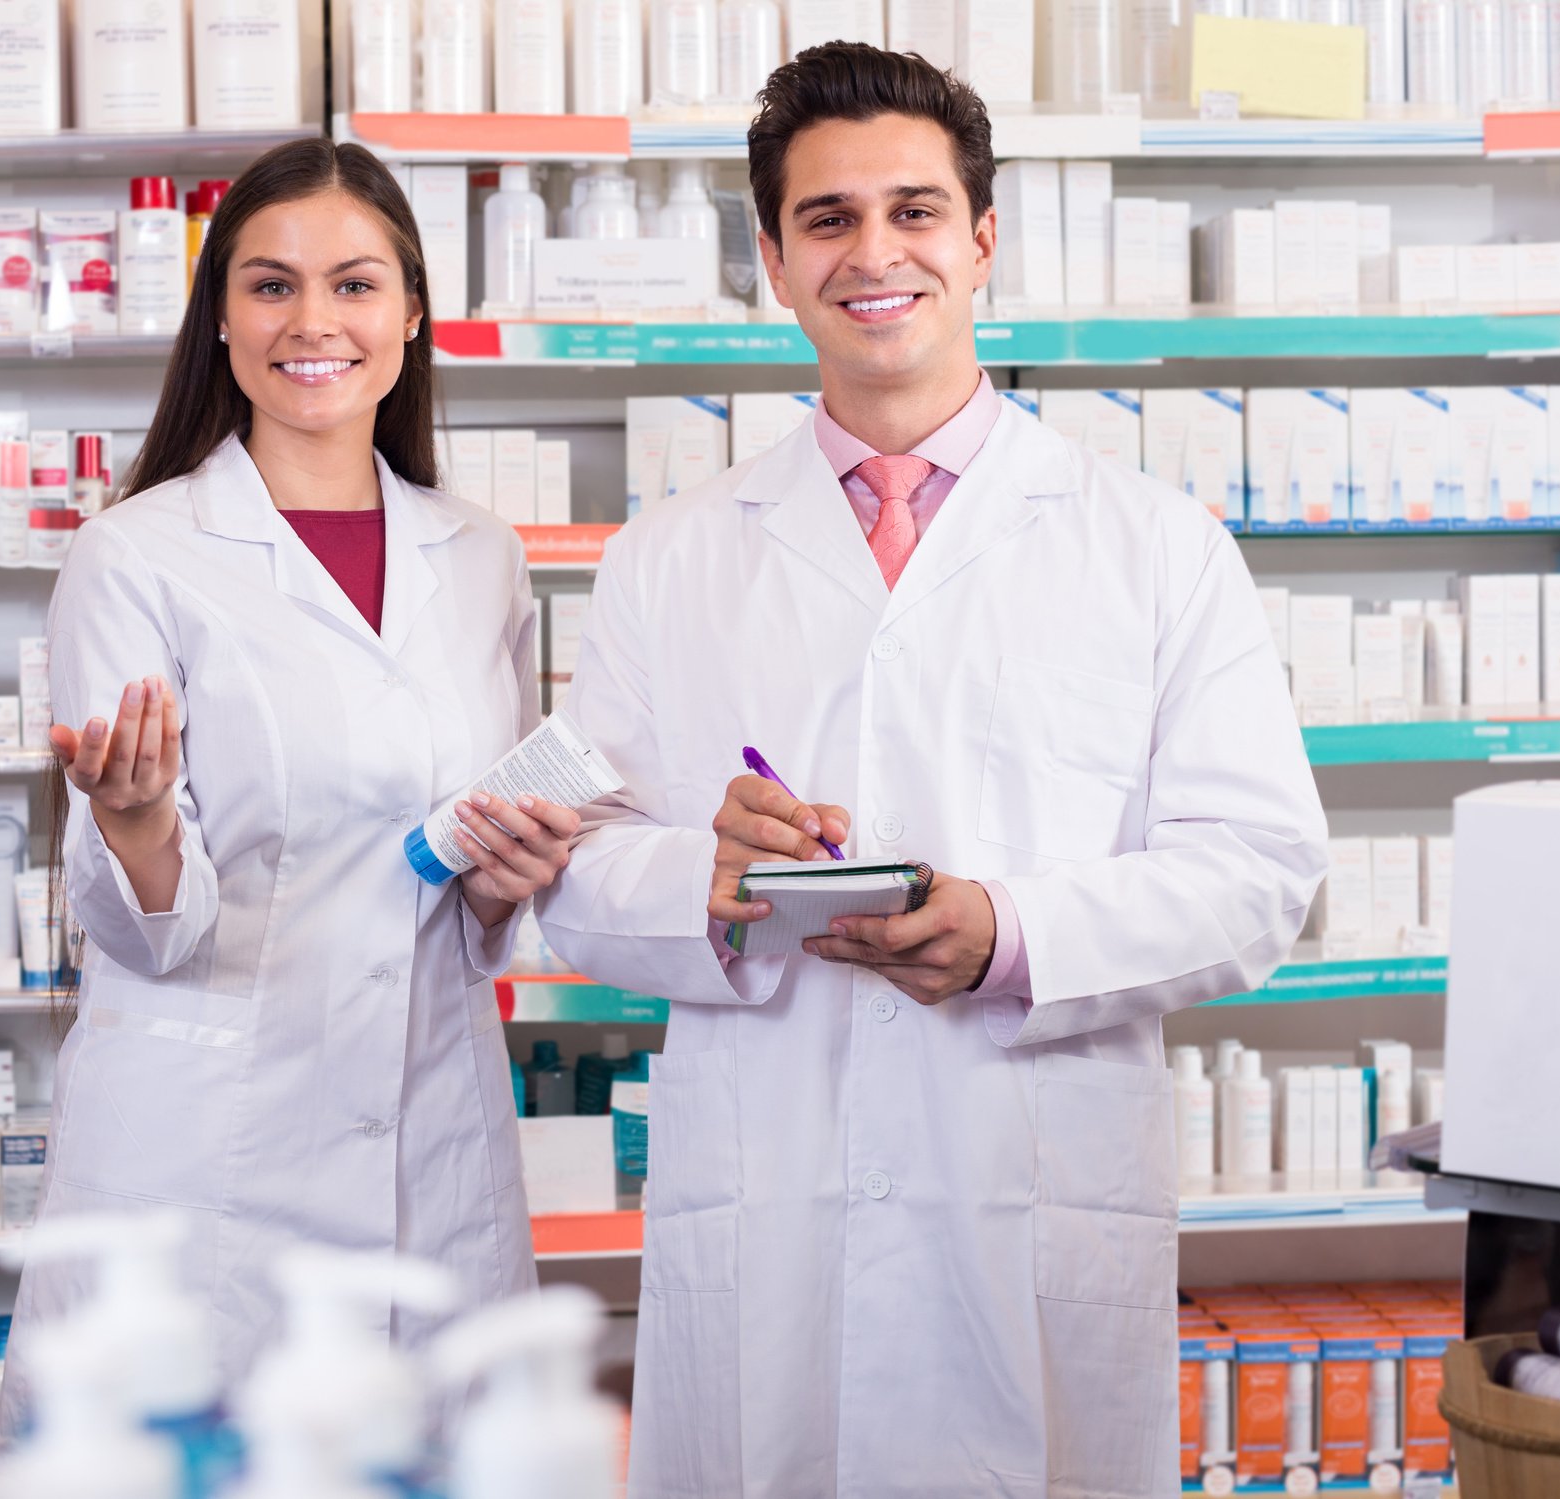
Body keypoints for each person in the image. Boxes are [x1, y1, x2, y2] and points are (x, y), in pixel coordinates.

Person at [535, 43, 1329, 1498]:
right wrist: (701, 880)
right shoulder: (669, 559)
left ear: (982, 241)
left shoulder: (1152, 546)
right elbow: (573, 880)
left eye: (914, 210)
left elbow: (1260, 874)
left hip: (1030, 1186)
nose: (874, 252)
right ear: (772, 260)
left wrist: (1011, 936)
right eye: (827, 219)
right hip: (766, 1205)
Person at [1, 137, 575, 1433]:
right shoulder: (136, 555)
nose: (314, 321)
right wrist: (137, 820)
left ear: (412, 311)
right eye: (269, 286)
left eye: (356, 284)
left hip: (433, 1144)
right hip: (211, 1162)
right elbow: (152, 930)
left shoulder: (482, 558)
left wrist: (512, 875)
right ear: (219, 317)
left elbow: (475, 894)